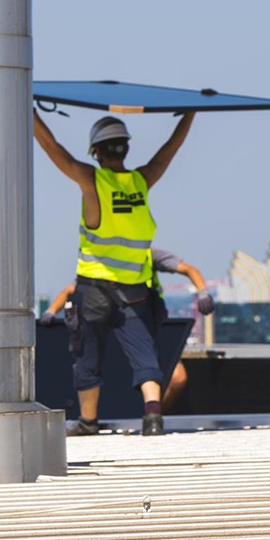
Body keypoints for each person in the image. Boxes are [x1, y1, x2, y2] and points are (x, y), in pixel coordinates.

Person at [34, 110, 194, 436]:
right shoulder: (142, 181)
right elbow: (171, 148)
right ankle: (152, 417)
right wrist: (189, 114)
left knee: (87, 355)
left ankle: (88, 422)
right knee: (144, 352)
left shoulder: (92, 181)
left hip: (93, 289)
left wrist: (29, 110)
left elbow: (52, 147)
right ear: (126, 149)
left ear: (96, 151)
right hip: (133, 289)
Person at [40, 248, 215, 415]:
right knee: (95, 369)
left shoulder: (149, 254)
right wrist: (51, 312)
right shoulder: (103, 261)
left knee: (176, 377)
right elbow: (72, 289)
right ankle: (92, 419)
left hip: (148, 328)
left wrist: (203, 293)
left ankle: (152, 414)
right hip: (114, 332)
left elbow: (189, 269)